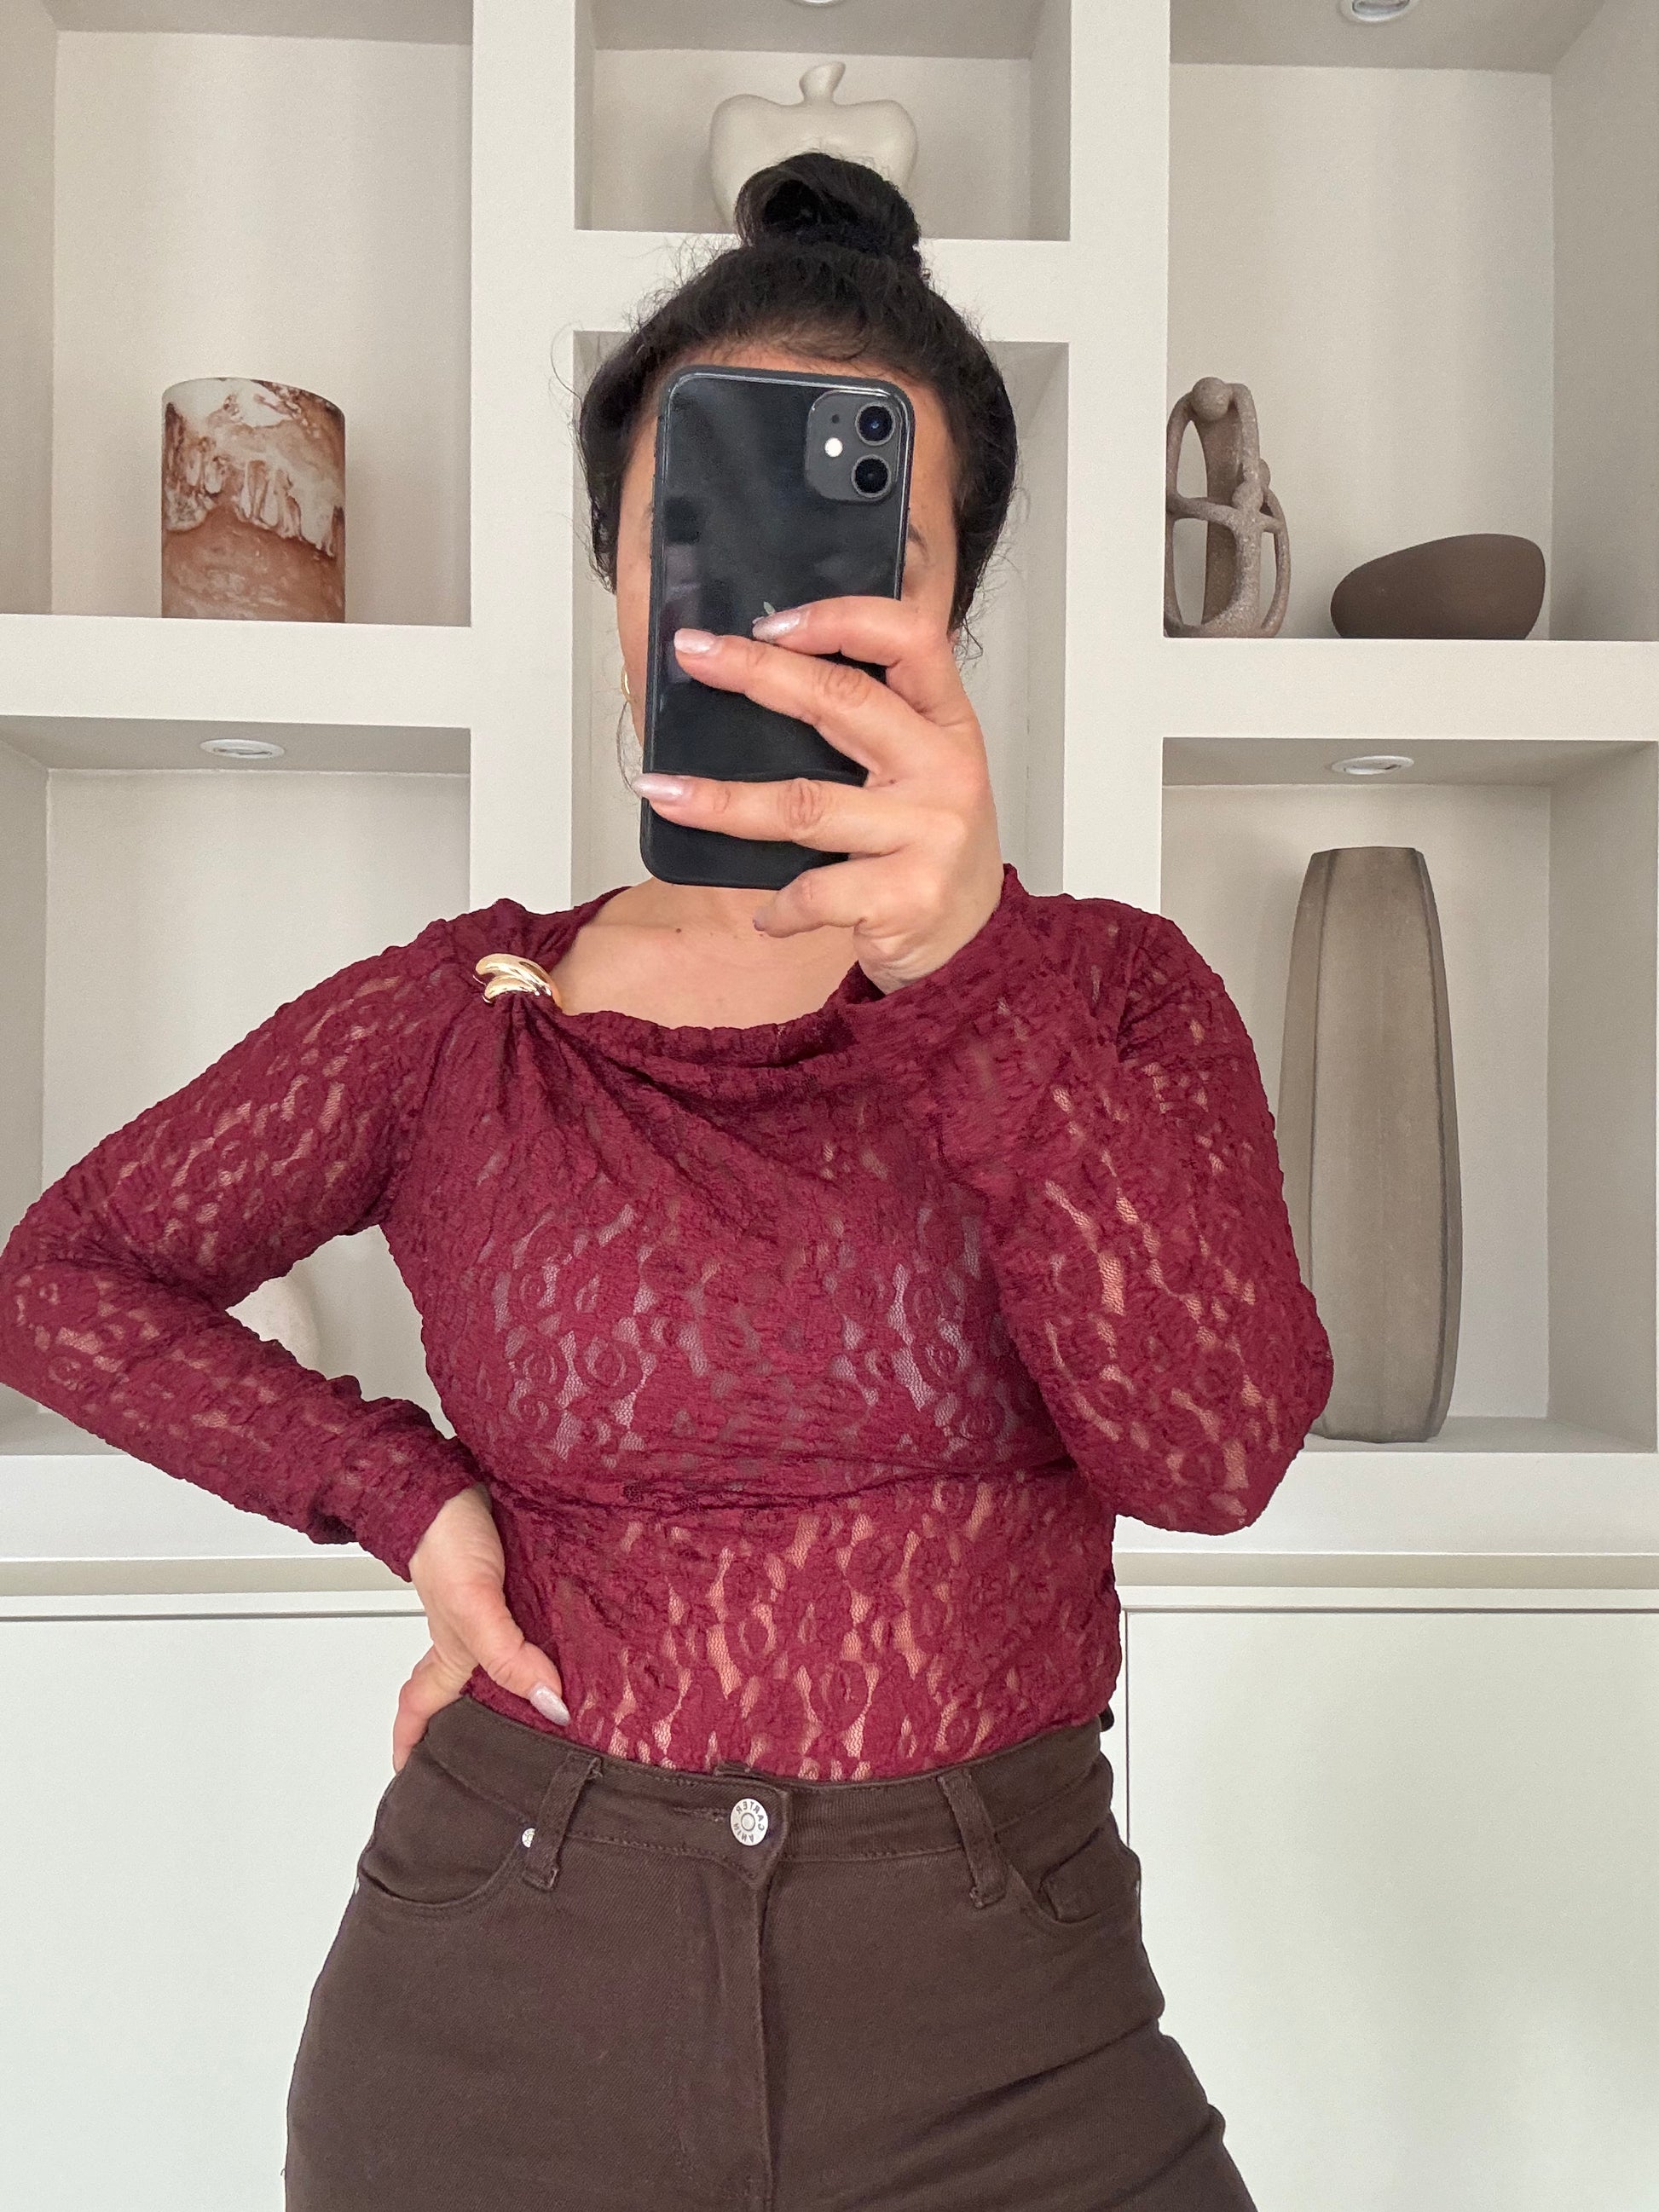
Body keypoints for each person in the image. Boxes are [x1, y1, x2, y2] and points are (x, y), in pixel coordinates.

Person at [0, 154, 1333, 2212]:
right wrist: (404, 1494)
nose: (774, 610)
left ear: (950, 605)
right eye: (692, 541)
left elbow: (1214, 1448)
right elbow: (63, 1275)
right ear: (616, 580)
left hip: (1015, 2039)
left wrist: (964, 966)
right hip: (501, 2014)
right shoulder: (463, 1019)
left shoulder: (1107, 994)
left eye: (864, 551)